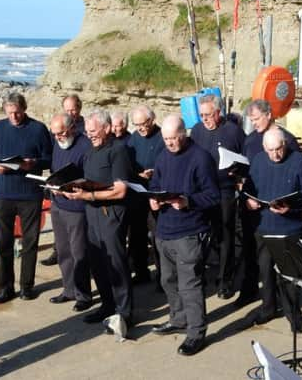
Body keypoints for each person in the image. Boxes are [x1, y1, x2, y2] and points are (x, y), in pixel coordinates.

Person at [149, 114, 220, 356]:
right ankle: (177, 319)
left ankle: (195, 333)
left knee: (190, 285)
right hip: (165, 230)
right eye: (166, 139)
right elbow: (155, 185)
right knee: (167, 280)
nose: (169, 143)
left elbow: (213, 196)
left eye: (173, 139)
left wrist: (188, 201)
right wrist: (153, 199)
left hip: (190, 232)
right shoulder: (162, 156)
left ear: (184, 134)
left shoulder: (201, 158)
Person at [63, 109, 134, 330]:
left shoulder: (118, 151)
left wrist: (88, 195)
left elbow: (121, 190)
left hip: (110, 214)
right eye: (87, 131)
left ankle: (125, 313)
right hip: (91, 213)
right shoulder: (91, 151)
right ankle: (107, 305)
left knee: (115, 262)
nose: (89, 134)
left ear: (106, 128)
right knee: (97, 262)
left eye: (93, 131)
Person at [243, 128, 302, 330]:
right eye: (270, 150)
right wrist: (248, 201)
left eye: (278, 149)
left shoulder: (298, 161)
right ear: (264, 148)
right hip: (263, 226)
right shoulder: (258, 160)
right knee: (265, 271)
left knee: (289, 275)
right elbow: (248, 189)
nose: (275, 154)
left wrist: (291, 207)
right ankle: (268, 308)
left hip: (288, 228)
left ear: (285, 145)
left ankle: (293, 314)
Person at [0, 92, 52, 304]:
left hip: (30, 192)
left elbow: (49, 158)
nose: (14, 117)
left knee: (30, 241)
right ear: (5, 110)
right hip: (4, 193)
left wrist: (34, 163)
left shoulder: (38, 129)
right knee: (3, 242)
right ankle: (5, 288)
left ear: (24, 109)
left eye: (18, 113)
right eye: (10, 113)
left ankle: (27, 287)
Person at [236, 100, 301, 309]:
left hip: (278, 214)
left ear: (269, 114)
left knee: (283, 265)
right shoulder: (251, 139)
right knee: (255, 257)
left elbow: (296, 177)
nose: (253, 124)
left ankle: (290, 306)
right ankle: (261, 298)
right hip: (254, 207)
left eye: (256, 119)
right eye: (251, 120)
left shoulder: (287, 140)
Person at [190, 94, 245, 299]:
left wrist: (238, 172)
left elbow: (246, 159)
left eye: (208, 115)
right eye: (202, 115)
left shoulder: (233, 131)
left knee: (225, 236)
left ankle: (225, 280)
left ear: (218, 113)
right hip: (202, 191)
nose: (205, 119)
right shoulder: (196, 131)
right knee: (199, 236)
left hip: (224, 191)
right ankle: (199, 277)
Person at [47, 113, 93, 312]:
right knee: (63, 250)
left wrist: (71, 188)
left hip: (77, 207)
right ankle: (68, 290)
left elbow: (90, 177)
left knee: (79, 252)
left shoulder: (85, 146)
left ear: (72, 128)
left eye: (61, 133)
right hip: (58, 203)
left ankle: (84, 295)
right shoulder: (58, 143)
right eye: (55, 134)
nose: (58, 137)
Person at [41, 94, 86, 267]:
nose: (71, 112)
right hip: (57, 187)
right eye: (67, 109)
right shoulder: (59, 127)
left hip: (76, 191)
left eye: (73, 109)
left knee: (78, 238)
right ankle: (57, 252)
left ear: (80, 107)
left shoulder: (84, 128)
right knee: (60, 231)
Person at [126, 105, 166, 286]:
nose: (140, 128)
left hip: (155, 194)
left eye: (143, 124)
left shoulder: (162, 136)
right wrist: (137, 175)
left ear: (152, 120)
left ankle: (161, 276)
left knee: (157, 238)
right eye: (136, 125)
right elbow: (127, 163)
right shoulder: (134, 138)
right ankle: (141, 272)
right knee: (136, 236)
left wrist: (155, 173)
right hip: (137, 193)